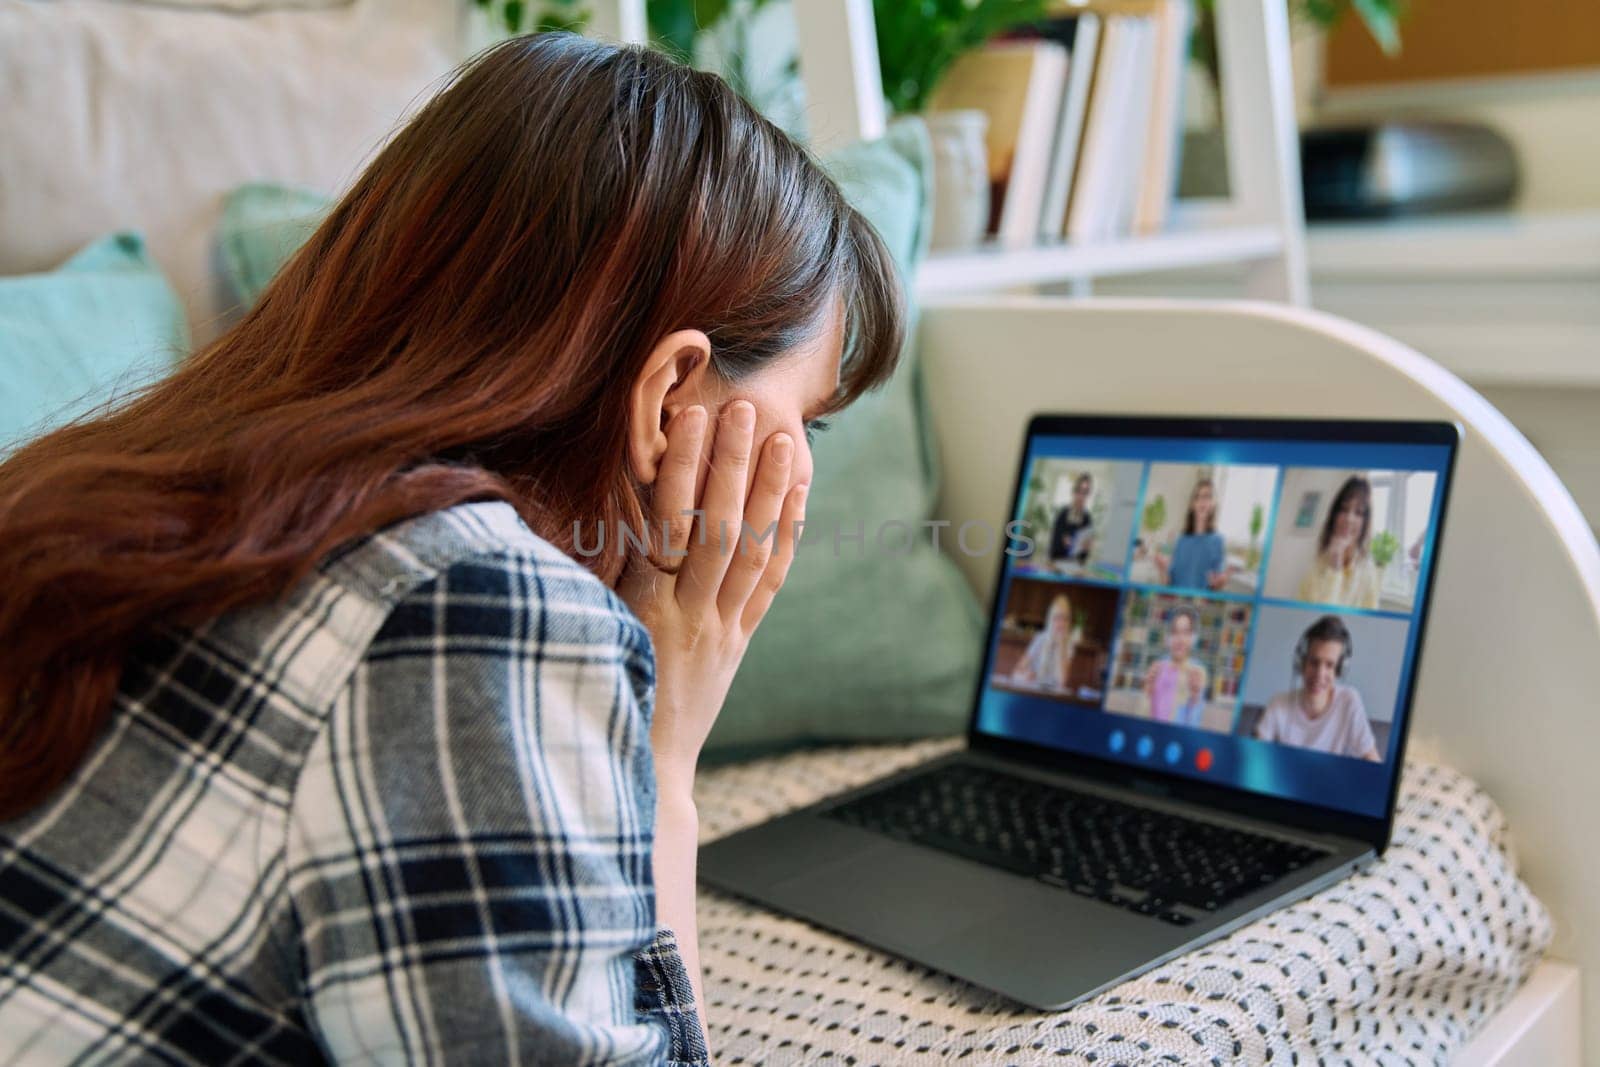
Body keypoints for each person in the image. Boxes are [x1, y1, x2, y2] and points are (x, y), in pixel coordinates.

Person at [0, 34, 906, 1065]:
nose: (805, 476)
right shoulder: (474, 606)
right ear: (668, 397)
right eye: (809, 420)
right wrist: (669, 753)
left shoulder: (126, 489)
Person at [1255, 616, 1380, 761]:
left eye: (1330, 665)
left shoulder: (1349, 701)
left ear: (1339, 670)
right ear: (1301, 663)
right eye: (1314, 662)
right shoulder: (1278, 704)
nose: (1320, 674)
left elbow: (1373, 762)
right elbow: (1253, 759)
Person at [1297, 475, 1381, 609]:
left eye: (1358, 513)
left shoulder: (1368, 573)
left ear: (1365, 523)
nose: (1349, 519)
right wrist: (1335, 567)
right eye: (1344, 509)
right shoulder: (1315, 567)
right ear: (1334, 515)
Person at [1156, 476, 1228, 591]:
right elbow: (1167, 584)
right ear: (1192, 504)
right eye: (1198, 497)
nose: (1202, 501)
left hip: (1200, 606)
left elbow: (1215, 587)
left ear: (1213, 504)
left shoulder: (1218, 541)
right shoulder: (1179, 540)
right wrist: (1162, 569)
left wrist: (1220, 582)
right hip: (1176, 605)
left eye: (1207, 497)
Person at [1142, 605, 1208, 727]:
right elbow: (1143, 715)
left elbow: (1194, 724)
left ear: (1193, 638)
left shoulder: (1198, 671)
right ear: (1167, 637)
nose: (1180, 639)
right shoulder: (1158, 666)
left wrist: (1195, 699)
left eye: (1186, 633)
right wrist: (1147, 691)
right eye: (1174, 632)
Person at [1011, 593, 1077, 691]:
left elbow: (1062, 681)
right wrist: (1024, 677)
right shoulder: (1040, 639)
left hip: (1054, 694)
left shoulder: (1069, 644)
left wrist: (1062, 645)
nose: (1061, 623)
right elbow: (1015, 672)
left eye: (1065, 619)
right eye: (1057, 618)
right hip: (1034, 690)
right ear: (1050, 619)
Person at [1048, 472, 1096, 564]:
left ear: (1089, 495)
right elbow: (1053, 549)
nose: (1081, 496)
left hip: (1076, 566)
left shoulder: (1087, 518)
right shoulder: (1063, 513)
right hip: (1058, 563)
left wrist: (1086, 548)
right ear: (1073, 492)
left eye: (1085, 492)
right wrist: (1064, 542)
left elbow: (1083, 556)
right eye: (1079, 491)